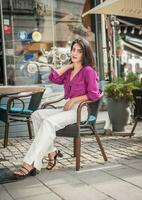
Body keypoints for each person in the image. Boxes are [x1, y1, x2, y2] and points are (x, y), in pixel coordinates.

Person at [14, 38, 101, 178]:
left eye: (79, 51)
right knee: (36, 115)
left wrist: (74, 99)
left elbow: (94, 94)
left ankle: (29, 163)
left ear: (85, 54)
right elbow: (53, 77)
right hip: (67, 109)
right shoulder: (69, 71)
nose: (75, 53)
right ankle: (52, 151)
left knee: (48, 122)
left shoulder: (88, 71)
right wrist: (68, 66)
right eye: (73, 49)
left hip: (80, 111)